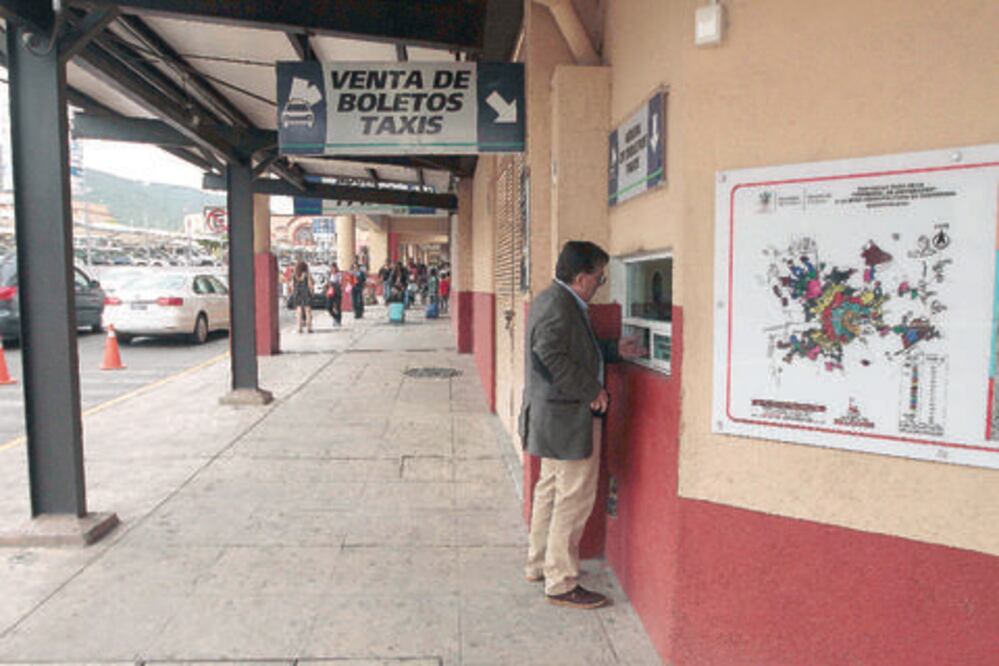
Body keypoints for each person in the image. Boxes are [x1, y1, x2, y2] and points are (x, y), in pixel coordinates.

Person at [519, 241, 643, 610]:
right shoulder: (561, 306)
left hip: (551, 416)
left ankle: (538, 563)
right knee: (573, 499)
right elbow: (550, 352)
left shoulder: (554, 300)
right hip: (567, 417)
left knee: (551, 489)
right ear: (582, 277)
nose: (601, 283)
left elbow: (573, 349)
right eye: (600, 277)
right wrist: (592, 389)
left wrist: (613, 351)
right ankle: (560, 582)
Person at [291, 259, 314, 333]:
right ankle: (309, 327)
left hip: (297, 293)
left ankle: (299, 328)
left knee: (299, 311)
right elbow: (310, 285)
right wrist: (312, 292)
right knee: (308, 311)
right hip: (306, 293)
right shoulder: (307, 274)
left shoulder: (295, 275)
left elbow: (292, 285)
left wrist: (293, 292)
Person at [327, 262, 343, 326]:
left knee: (337, 307)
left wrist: (332, 284)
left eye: (334, 267)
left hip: (337, 293)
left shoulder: (339, 274)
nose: (333, 269)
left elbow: (340, 283)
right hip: (330, 293)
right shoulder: (329, 274)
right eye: (331, 268)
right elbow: (327, 283)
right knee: (329, 307)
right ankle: (334, 317)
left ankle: (338, 320)